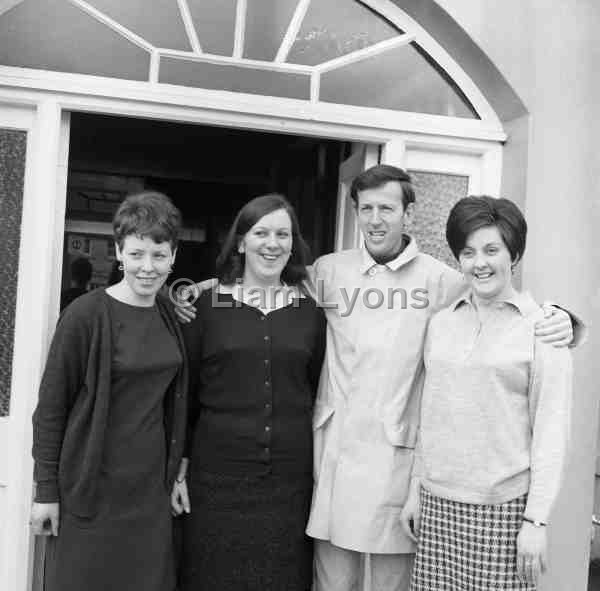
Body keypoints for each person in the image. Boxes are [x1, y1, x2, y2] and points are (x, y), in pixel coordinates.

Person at [175, 165, 578, 591]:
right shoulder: (329, 272)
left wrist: (564, 320)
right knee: (329, 582)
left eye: (387, 207)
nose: (375, 219)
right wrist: (194, 291)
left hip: (396, 466)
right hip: (334, 460)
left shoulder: (440, 280)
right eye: (366, 208)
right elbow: (265, 279)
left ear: (409, 215)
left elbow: (497, 295)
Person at [402, 196, 572, 590]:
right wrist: (415, 490)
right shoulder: (442, 323)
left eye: (491, 250)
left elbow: (551, 433)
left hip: (503, 512)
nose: (480, 263)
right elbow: (430, 415)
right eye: (468, 252)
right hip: (437, 506)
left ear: (514, 254)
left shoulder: (543, 329)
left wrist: (536, 520)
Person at [30, 191, 188, 591]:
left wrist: (176, 474)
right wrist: (45, 491)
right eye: (136, 254)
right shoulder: (84, 316)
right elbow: (51, 408)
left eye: (158, 254)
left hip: (150, 495)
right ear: (119, 251)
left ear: (173, 256)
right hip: (91, 492)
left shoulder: (170, 315)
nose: (147, 267)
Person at [173, 194, 326, 591]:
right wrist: (179, 465)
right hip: (215, 479)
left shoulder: (311, 313)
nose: (271, 243)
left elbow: (314, 388)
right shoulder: (203, 306)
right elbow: (184, 395)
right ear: (241, 242)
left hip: (288, 483)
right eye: (261, 232)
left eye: (282, 234)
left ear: (293, 244)